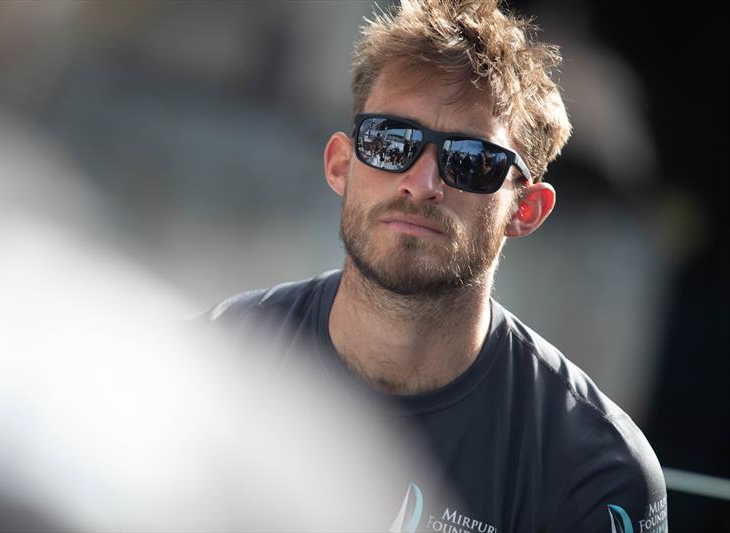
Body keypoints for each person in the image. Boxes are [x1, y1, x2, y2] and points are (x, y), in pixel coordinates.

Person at [204, 1, 668, 532]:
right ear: (340, 164)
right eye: (390, 141)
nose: (422, 184)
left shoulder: (593, 471)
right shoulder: (208, 365)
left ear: (526, 209)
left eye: (470, 161)